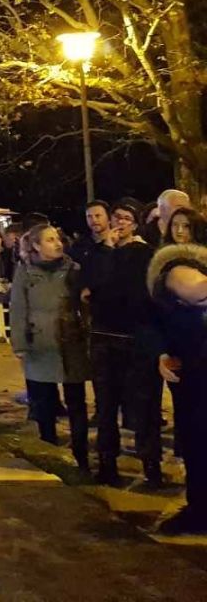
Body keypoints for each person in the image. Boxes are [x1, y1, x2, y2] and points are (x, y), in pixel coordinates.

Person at [81, 198, 160, 486]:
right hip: (104, 337)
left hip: (134, 338)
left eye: (127, 218)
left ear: (135, 224)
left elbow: (140, 292)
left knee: (144, 405)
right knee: (105, 405)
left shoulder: (145, 253)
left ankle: (151, 463)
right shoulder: (101, 251)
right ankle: (107, 462)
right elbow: (90, 283)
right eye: (117, 217)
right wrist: (106, 249)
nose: (120, 223)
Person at [10, 225, 90, 470]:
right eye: (50, 240)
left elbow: (86, 305)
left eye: (58, 238)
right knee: (43, 404)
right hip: (39, 343)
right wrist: (20, 343)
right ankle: (50, 452)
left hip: (70, 343)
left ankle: (81, 455)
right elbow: (18, 308)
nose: (58, 244)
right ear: (36, 245)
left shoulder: (74, 269)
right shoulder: (25, 271)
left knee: (76, 402)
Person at [147, 215, 207, 535]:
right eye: (176, 225)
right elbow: (153, 319)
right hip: (190, 366)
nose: (181, 231)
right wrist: (160, 352)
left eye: (187, 226)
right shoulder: (170, 265)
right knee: (195, 440)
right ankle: (199, 509)